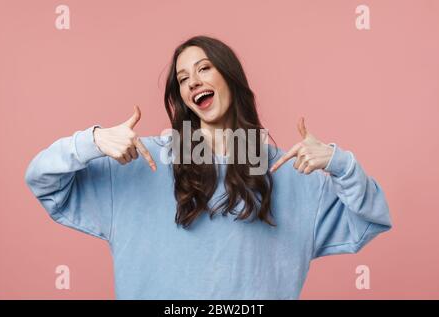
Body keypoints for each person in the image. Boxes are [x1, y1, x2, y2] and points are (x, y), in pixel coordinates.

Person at [24, 35, 392, 299]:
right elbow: (44, 180)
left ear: (230, 78)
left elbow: (369, 219)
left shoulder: (288, 172)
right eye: (183, 79)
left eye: (204, 68)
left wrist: (338, 162)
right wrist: (93, 140)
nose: (193, 81)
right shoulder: (142, 161)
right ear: (183, 97)